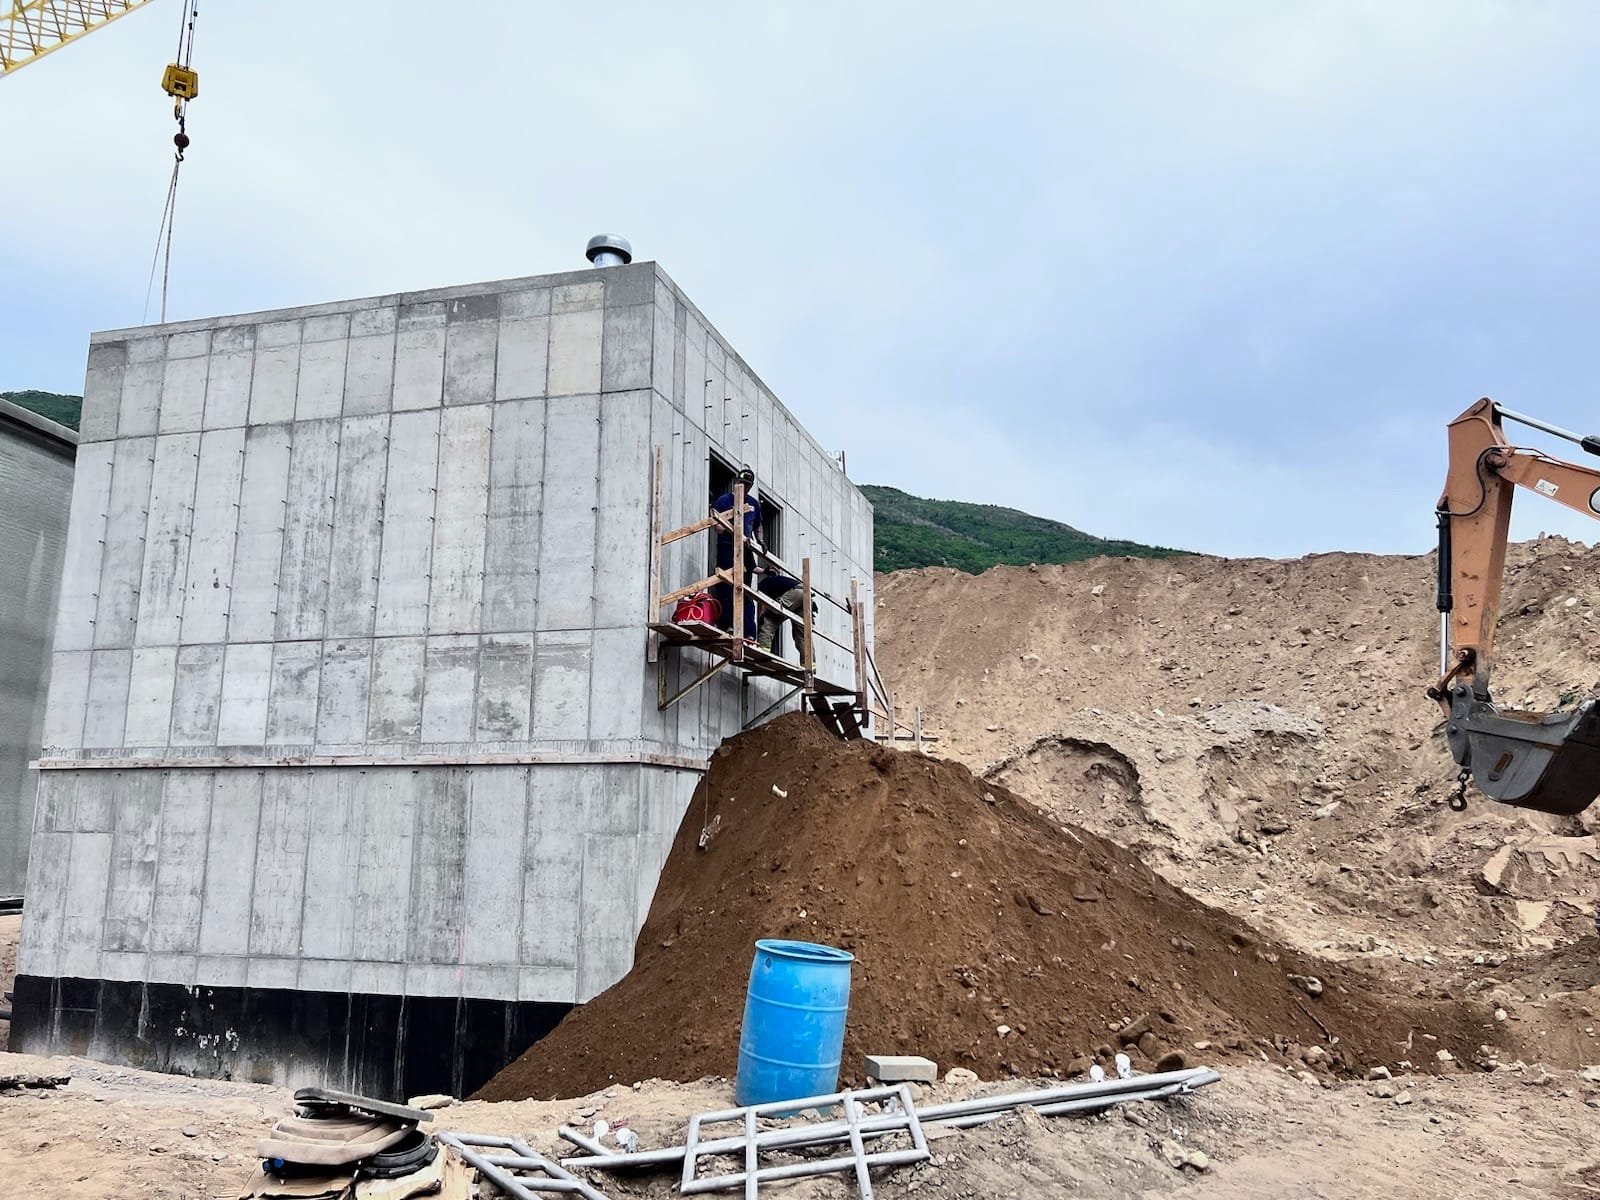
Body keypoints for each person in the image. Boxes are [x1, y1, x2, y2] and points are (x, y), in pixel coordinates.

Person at [710, 466, 763, 638]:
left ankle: (748, 632)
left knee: (745, 591)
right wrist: (729, 527)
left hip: (746, 551)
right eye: (741, 483)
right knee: (726, 587)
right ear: (735, 482)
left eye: (747, 485)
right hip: (727, 548)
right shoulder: (724, 501)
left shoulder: (754, 504)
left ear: (751, 486)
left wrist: (760, 540)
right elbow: (716, 526)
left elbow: (758, 526)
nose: (744, 487)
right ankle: (728, 626)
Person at [755, 572, 809, 656]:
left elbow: (762, 604)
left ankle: (763, 653)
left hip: (795, 593)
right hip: (806, 595)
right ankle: (809, 666)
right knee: (802, 636)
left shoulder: (762, 584)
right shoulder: (777, 583)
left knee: (768, 620)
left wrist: (760, 618)